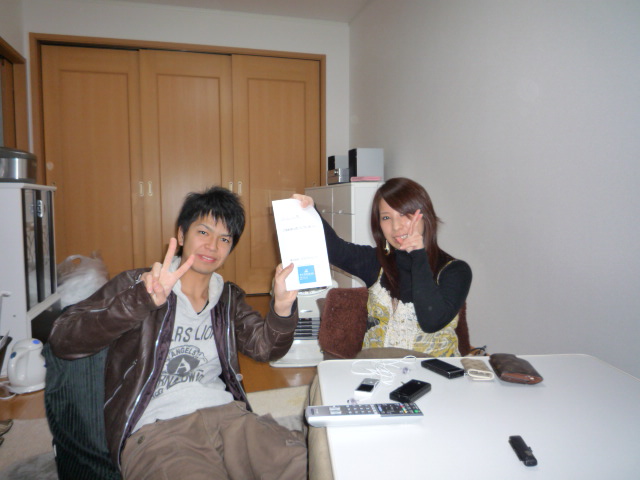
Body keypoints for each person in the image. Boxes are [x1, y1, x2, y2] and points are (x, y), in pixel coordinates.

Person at [49, 186, 306, 480]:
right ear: (182, 235)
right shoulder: (140, 285)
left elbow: (266, 348)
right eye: (203, 232)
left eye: (224, 239)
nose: (212, 246)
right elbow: (63, 339)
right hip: (159, 428)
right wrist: (140, 301)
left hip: (229, 416)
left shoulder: (228, 299)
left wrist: (282, 308)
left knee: (304, 465)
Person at [294, 177, 472, 357]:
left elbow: (431, 321)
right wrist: (310, 212)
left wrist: (418, 255)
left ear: (425, 216)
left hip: (433, 370)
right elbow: (335, 250)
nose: (396, 226)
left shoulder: (455, 270)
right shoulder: (377, 261)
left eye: (404, 214)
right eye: (386, 217)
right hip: (376, 368)